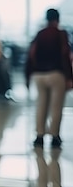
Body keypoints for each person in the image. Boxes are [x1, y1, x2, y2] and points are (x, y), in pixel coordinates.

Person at [25, 8, 73, 148]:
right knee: (56, 107)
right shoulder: (61, 34)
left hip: (39, 75)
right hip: (56, 74)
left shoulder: (39, 34)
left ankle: (39, 136)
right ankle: (54, 136)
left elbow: (31, 55)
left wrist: (28, 76)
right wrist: (69, 77)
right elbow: (65, 55)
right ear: (57, 19)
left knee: (41, 105)